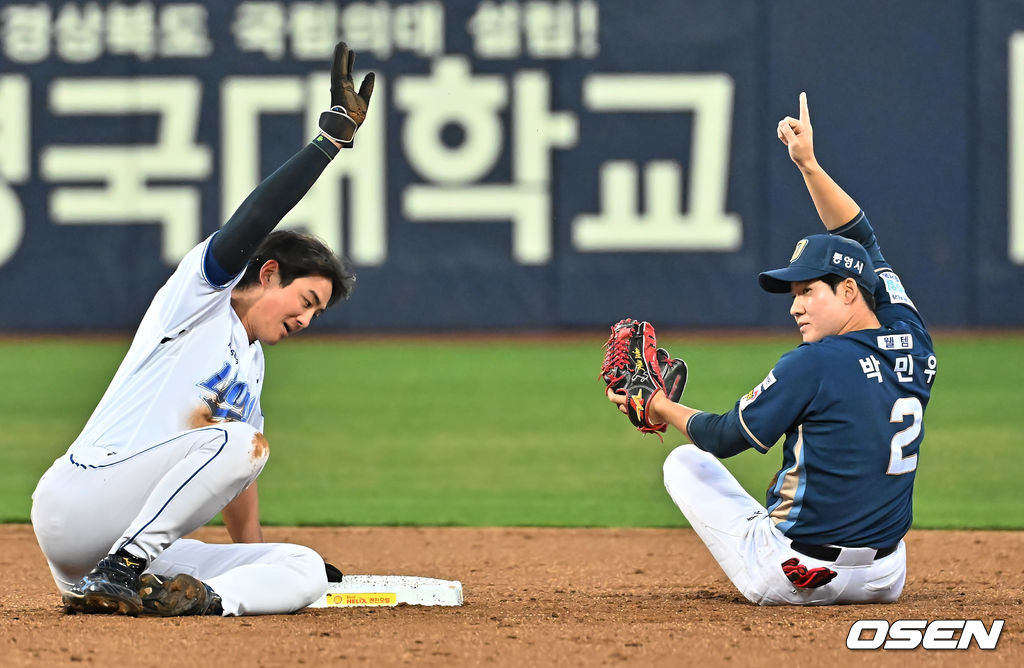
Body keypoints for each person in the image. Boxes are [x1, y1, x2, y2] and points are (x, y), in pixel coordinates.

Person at [30, 43, 374, 617]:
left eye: (317, 314)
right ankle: (120, 569)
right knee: (242, 442)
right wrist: (328, 143)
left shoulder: (252, 365)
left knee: (303, 566)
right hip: (81, 503)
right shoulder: (201, 298)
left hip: (122, 538)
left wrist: (256, 560)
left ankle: (195, 600)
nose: (306, 320)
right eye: (306, 301)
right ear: (269, 273)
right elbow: (255, 218)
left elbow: (235, 480)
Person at [607, 93, 937, 605]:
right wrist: (808, 165)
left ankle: (785, 554)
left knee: (685, 463)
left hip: (797, 575)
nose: (795, 307)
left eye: (808, 291)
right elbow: (864, 242)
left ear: (849, 292)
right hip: (884, 578)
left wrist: (658, 405)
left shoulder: (813, 364)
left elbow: (722, 437)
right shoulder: (912, 337)